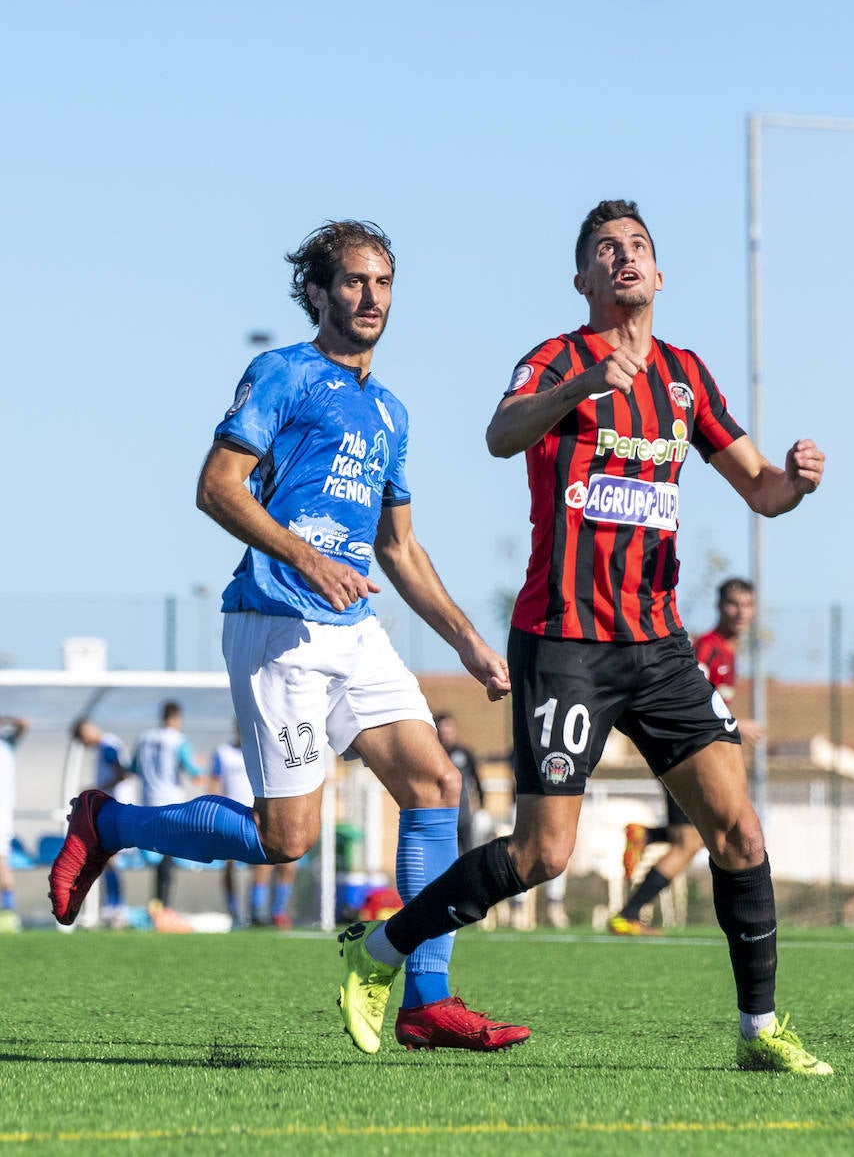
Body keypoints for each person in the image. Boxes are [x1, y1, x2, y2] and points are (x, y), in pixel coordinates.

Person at [338, 198, 833, 1074]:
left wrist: (795, 483)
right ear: (583, 279)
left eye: (637, 246)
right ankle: (380, 951)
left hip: (660, 646)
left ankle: (759, 1031)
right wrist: (579, 388)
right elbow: (499, 435)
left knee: (741, 835)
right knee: (543, 853)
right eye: (606, 249)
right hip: (564, 642)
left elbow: (759, 488)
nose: (624, 257)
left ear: (660, 274)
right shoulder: (557, 359)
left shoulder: (685, 375)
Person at [50, 218, 528, 1054]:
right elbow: (217, 487)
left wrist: (464, 640)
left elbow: (399, 547)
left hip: (355, 629)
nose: (371, 296)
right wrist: (309, 559)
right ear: (317, 291)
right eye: (354, 280)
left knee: (435, 786)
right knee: (287, 840)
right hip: (278, 622)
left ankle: (425, 1000)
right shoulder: (282, 373)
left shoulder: (390, 412)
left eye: (383, 282)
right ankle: (109, 824)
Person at [611, 577, 763, 935]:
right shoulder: (708, 648)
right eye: (733, 604)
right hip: (688, 752)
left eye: (747, 604)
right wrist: (737, 723)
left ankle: (646, 838)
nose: (740, 612)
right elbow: (689, 699)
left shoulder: (728, 651)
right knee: (693, 841)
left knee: (698, 835)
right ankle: (628, 914)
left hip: (696, 751)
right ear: (720, 606)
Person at [209, 725, 296, 928]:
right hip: (228, 818)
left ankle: (263, 912)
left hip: (255, 817)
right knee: (228, 865)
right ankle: (234, 911)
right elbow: (215, 784)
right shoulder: (223, 753)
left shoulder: (260, 752)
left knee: (266, 863)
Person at [130, 701, 204, 911]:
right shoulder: (178, 740)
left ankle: (156, 904)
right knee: (168, 855)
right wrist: (200, 765)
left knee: (157, 854)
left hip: (148, 803)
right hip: (171, 803)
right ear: (176, 717)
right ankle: (164, 907)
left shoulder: (144, 738)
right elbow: (195, 773)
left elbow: (133, 768)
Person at [72, 718, 134, 924]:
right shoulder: (106, 745)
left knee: (110, 859)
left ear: (88, 730)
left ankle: (117, 908)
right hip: (114, 809)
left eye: (83, 738)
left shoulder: (108, 746)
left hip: (116, 810)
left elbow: (121, 773)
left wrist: (96, 790)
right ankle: (113, 907)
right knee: (107, 859)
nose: (86, 743)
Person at [434, 713, 486, 855]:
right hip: (441, 817)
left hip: (463, 816)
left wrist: (482, 806)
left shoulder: (464, 753)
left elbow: (476, 780)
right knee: (445, 855)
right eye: (442, 730)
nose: (445, 733)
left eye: (448, 729)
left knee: (468, 854)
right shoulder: (434, 754)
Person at [0, 715, 29, 932]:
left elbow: (23, 724)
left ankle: (8, 914)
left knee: (1, 861)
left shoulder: (6, 744)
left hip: (2, 814)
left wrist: (4, 719)